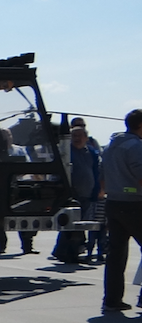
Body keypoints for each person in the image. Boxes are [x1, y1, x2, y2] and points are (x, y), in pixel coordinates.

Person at [101, 109, 142, 312]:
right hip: (135, 204)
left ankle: (112, 299)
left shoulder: (111, 146)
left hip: (114, 203)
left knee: (116, 254)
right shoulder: (135, 146)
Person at [52, 126, 100, 263]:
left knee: (78, 225)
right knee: (71, 225)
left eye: (80, 136)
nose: (77, 139)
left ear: (86, 138)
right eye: (74, 136)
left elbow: (97, 171)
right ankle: (67, 253)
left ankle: (65, 251)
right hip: (71, 194)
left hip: (88, 194)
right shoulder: (66, 152)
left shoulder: (91, 152)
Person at [0, 129, 35, 254]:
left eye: (8, 135)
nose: (7, 138)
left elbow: (28, 166)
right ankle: (1, 245)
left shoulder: (20, 150)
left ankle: (27, 246)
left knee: (23, 215)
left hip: (18, 186)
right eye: (3, 136)